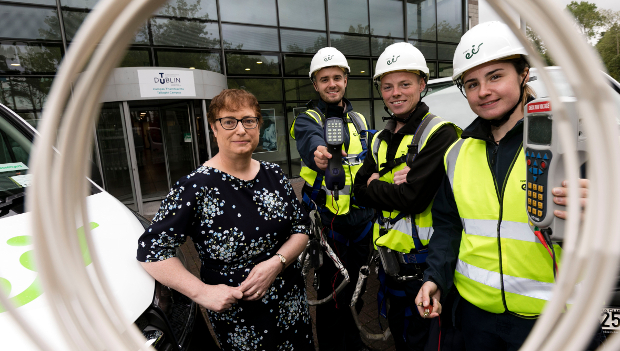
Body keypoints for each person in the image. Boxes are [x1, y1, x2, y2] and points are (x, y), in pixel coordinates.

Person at [414, 21, 600, 350]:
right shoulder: (457, 153)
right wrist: (434, 279)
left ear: (524, 74)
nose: (483, 91)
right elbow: (448, 228)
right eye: (472, 83)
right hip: (475, 320)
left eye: (496, 76)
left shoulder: (574, 142)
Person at [137, 89, 314, 351]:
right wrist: (200, 292)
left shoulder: (275, 174)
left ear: (258, 125)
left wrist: (277, 263)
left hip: (291, 305)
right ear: (213, 127)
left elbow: (301, 228)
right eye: (229, 121)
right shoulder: (194, 187)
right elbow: (151, 251)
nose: (240, 130)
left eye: (248, 120)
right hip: (241, 320)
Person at [352, 42, 461, 351]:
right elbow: (358, 193)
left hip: (425, 271)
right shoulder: (380, 139)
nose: (395, 93)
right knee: (399, 341)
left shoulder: (440, 134)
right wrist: (388, 189)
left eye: (404, 84)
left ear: (422, 85)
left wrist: (377, 186)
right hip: (390, 273)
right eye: (388, 86)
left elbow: (414, 199)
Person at [289, 47, 374, 351]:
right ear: (315, 84)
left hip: (362, 221)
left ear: (346, 79)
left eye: (337, 77)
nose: (332, 84)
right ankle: (331, 346)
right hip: (330, 224)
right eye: (324, 79)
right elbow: (311, 141)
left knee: (358, 289)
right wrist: (319, 153)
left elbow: (368, 158)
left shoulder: (359, 119)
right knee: (332, 290)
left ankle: (352, 341)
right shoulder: (306, 119)